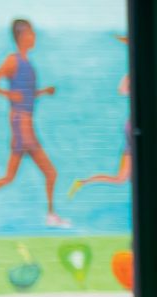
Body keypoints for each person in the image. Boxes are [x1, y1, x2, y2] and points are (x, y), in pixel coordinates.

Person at [0, 19, 69, 226]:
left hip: (25, 125)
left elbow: (26, 93)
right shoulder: (12, 61)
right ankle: (50, 215)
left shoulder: (26, 62)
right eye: (30, 34)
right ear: (20, 37)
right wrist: (9, 94)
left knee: (10, 177)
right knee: (50, 172)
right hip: (21, 125)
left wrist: (43, 92)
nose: (33, 37)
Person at [71, 47, 131, 196]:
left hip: (130, 128)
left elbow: (121, 90)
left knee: (121, 179)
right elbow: (122, 90)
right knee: (122, 178)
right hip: (132, 128)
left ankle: (83, 182)